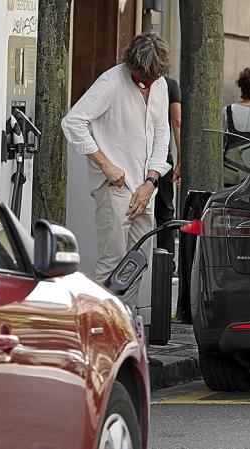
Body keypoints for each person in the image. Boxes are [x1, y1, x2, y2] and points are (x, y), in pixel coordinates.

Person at [61, 33, 172, 308]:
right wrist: (106, 165)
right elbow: (73, 123)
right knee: (113, 264)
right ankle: (103, 327)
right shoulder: (111, 82)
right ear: (130, 64)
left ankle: (127, 324)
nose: (147, 82)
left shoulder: (160, 86)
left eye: (153, 77)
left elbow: (161, 134)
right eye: (141, 76)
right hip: (116, 186)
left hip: (145, 187)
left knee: (138, 262)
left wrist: (151, 182)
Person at [154, 76, 181, 270]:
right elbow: (177, 121)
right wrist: (182, 159)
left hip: (135, 155)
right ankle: (166, 261)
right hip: (162, 155)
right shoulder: (170, 85)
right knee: (165, 210)